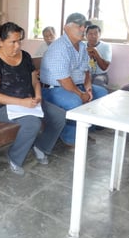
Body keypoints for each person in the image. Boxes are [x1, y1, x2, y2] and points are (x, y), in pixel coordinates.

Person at [0, 22, 65, 176]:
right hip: (4, 107)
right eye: (12, 42)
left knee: (59, 116)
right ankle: (14, 157)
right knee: (32, 123)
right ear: (0, 42)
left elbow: (35, 81)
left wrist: (38, 95)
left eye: (19, 41)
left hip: (30, 102)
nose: (17, 46)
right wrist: (22, 102)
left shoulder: (26, 56)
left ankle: (41, 146)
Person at [40, 13, 109, 146]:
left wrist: (88, 89)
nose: (83, 29)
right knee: (75, 101)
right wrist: (80, 94)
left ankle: (84, 131)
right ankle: (69, 138)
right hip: (55, 89)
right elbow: (64, 80)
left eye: (84, 26)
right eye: (79, 26)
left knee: (101, 93)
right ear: (66, 28)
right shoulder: (59, 47)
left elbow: (86, 71)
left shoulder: (82, 47)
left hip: (76, 85)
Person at [85, 24, 112, 89]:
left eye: (95, 33)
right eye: (90, 34)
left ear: (99, 35)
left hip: (101, 75)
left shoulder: (106, 46)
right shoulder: (81, 45)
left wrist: (96, 52)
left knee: (98, 82)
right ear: (86, 35)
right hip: (85, 73)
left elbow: (104, 67)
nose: (93, 36)